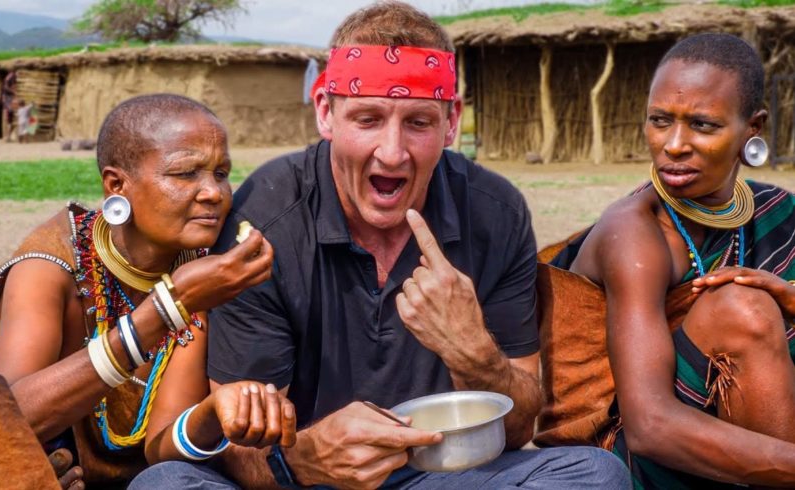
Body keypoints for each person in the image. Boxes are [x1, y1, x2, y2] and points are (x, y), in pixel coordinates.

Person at [132, 2, 630, 489]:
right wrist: (304, 462)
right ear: (326, 112)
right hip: (302, 476)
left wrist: (473, 350)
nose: (391, 153)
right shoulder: (264, 218)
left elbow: (518, 429)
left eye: (418, 122)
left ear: (451, 122)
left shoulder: (495, 213)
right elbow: (242, 440)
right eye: (367, 119)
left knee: (595, 474)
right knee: (164, 483)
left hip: (441, 474)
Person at [0, 94, 292, 487]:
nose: (213, 192)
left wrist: (211, 413)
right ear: (117, 185)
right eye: (185, 174)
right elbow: (5, 422)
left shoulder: (207, 270)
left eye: (221, 172)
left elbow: (159, 452)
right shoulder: (53, 263)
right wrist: (165, 309)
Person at [562, 33, 795, 487]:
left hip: (752, 432)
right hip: (632, 455)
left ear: (754, 127)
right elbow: (650, 426)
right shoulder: (636, 233)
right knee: (741, 309)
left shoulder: (776, 212)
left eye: (703, 125)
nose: (673, 144)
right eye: (660, 120)